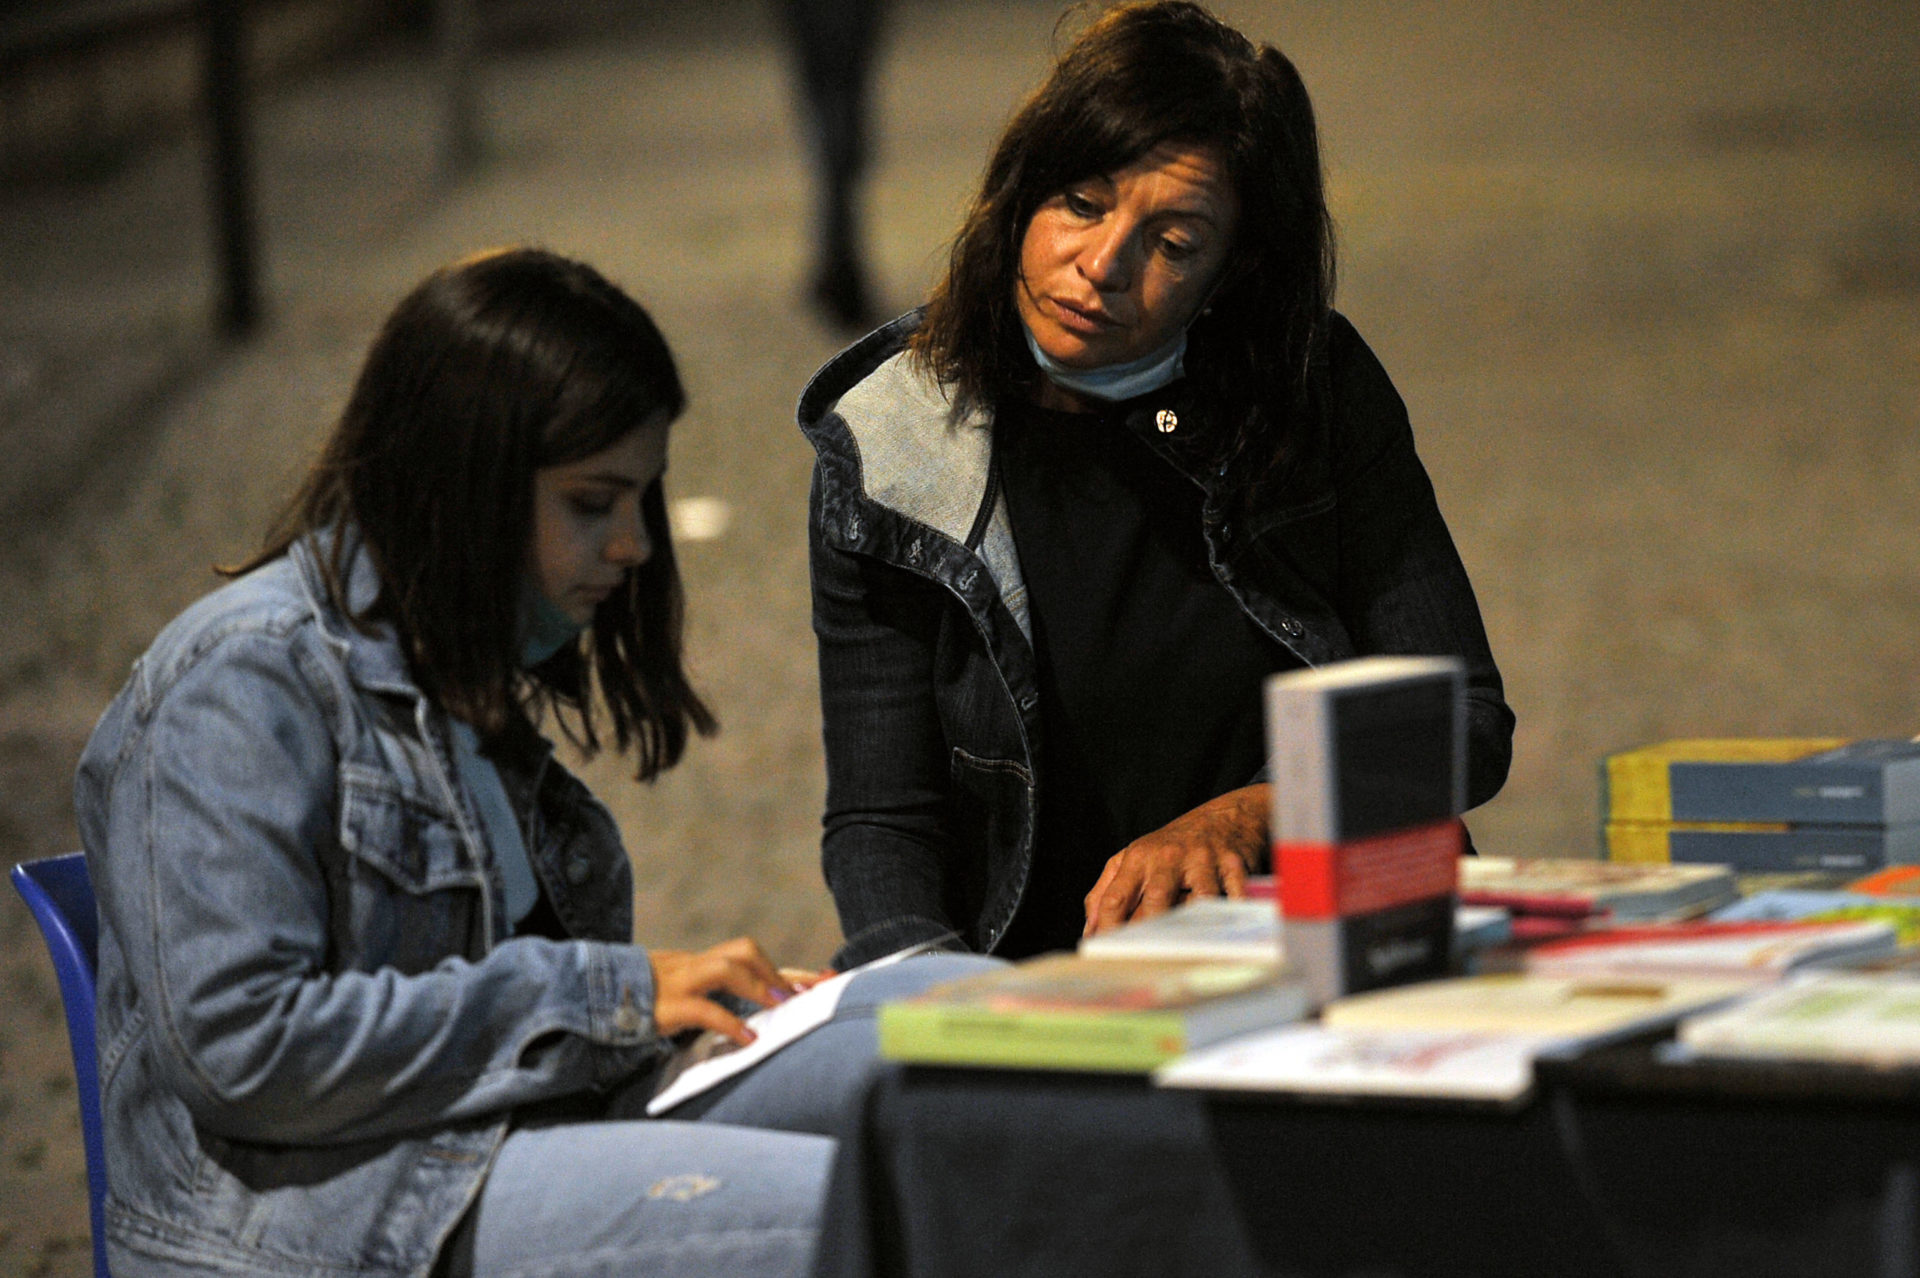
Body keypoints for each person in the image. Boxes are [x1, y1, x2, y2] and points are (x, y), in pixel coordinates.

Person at [74, 247, 991, 1278]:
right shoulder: (243, 681)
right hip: (329, 1213)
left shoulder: (455, 662)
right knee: (888, 1213)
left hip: (498, 1128)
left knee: (943, 1023)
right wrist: (610, 995)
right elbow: (243, 1049)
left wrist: (681, 1012)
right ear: (461, 485)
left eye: (642, 500)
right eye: (593, 504)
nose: (637, 544)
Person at [798, 1, 1515, 968]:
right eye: (1081, 204)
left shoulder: (1308, 390)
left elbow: (1461, 718)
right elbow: (883, 823)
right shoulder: (890, 442)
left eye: (1173, 244)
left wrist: (1258, 811)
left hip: (1321, 941)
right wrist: (933, 1009)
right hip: (1043, 981)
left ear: (1231, 272)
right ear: (1019, 193)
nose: (1101, 265)